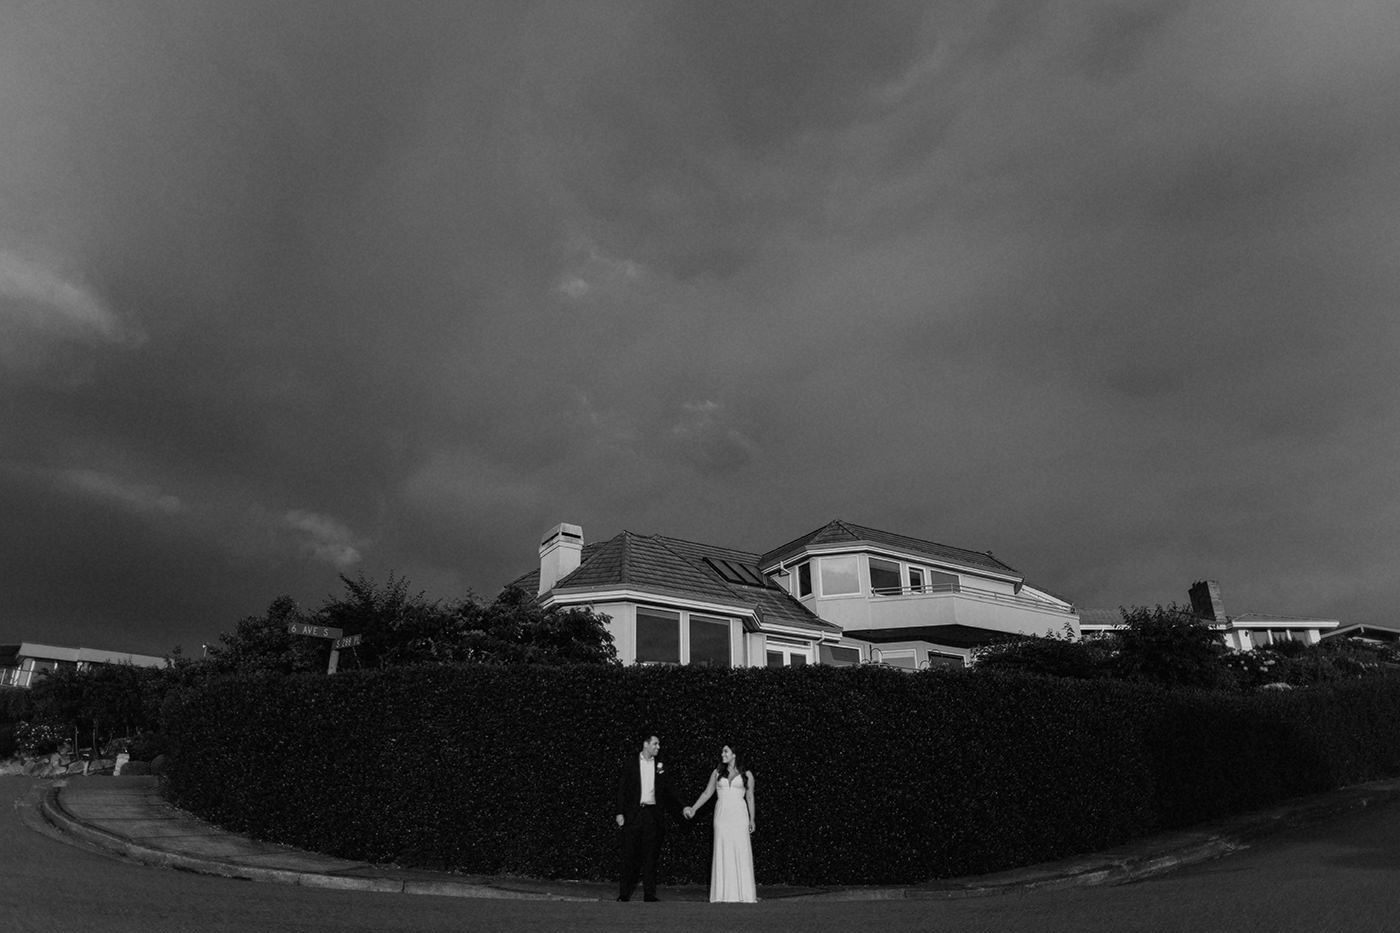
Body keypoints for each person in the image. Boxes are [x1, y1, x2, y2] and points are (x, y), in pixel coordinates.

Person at [684, 745, 757, 903]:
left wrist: (752, 819)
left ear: (734, 754)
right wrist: (694, 808)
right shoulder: (717, 772)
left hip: (739, 816)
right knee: (722, 849)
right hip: (722, 816)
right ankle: (722, 894)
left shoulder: (747, 774)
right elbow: (707, 793)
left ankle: (744, 894)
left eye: (726, 751)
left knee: (740, 850)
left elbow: (750, 797)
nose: (722, 754)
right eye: (722, 751)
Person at [616, 732, 683, 902]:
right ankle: (624, 893)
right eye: (655, 744)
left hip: (652, 815)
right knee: (629, 854)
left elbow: (670, 789)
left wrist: (684, 806)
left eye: (658, 744)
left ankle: (649, 894)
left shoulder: (660, 765)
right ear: (645, 745)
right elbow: (622, 788)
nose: (658, 747)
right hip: (634, 814)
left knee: (650, 856)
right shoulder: (631, 763)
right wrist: (619, 812)